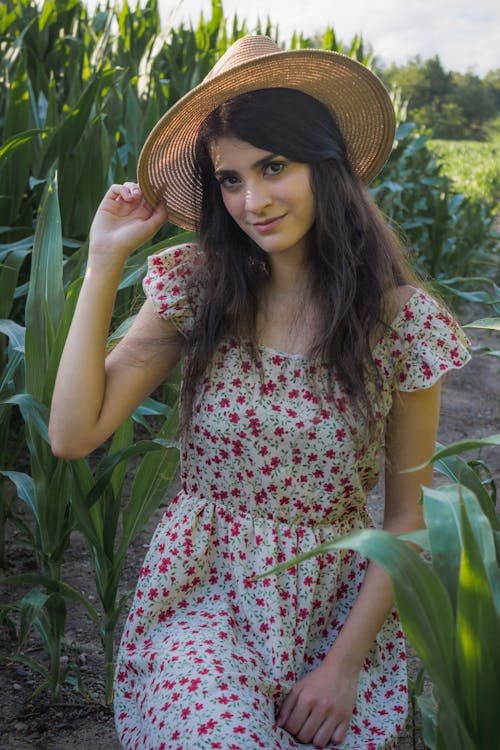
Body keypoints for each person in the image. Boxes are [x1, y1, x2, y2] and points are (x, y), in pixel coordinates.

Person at [49, 35, 470, 750]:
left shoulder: (401, 325)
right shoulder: (198, 287)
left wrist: (342, 669)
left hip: (331, 617)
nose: (253, 200)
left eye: (274, 166)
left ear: (326, 162)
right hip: (201, 602)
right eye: (231, 179)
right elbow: (72, 434)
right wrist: (102, 261)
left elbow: (408, 520)